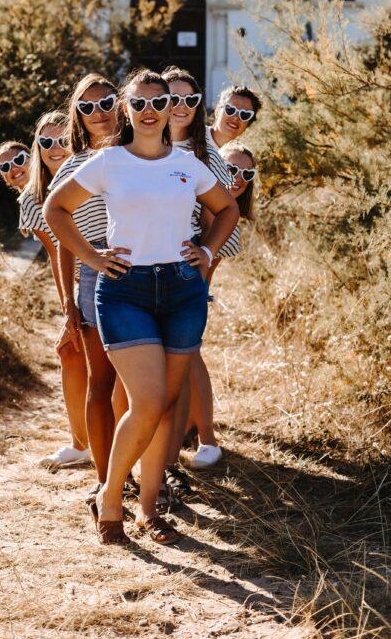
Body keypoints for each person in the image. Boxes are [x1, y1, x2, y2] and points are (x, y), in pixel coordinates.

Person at [44, 68, 239, 547]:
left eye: (159, 102)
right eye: (140, 102)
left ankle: (148, 512)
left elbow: (229, 209)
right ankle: (111, 495)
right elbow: (55, 209)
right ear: (126, 110)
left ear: (169, 108)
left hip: (181, 289)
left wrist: (208, 251)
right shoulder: (108, 163)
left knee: (168, 405)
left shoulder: (189, 165)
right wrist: (91, 257)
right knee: (147, 400)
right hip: (125, 291)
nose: (151, 110)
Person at [47, 73, 124, 500]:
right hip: (96, 271)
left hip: (145, 264)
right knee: (102, 381)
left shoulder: (141, 154)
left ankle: (145, 471)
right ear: (78, 114)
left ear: (121, 103)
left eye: (106, 102)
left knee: (142, 384)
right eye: (87, 107)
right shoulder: (74, 166)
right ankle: (104, 481)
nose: (98, 113)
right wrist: (68, 304)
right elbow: (61, 235)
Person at [163, 66, 241, 474]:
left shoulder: (205, 154)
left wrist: (205, 254)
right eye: (172, 98)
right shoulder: (139, 144)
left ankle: (203, 441)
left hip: (183, 265)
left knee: (186, 352)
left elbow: (222, 212)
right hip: (140, 265)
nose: (180, 107)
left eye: (190, 100)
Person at [17, 112, 91, 469]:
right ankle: (82, 441)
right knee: (70, 350)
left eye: (62, 140)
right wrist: (68, 306)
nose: (54, 148)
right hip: (77, 279)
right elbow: (54, 250)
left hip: (106, 269)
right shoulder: (34, 198)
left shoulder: (90, 172)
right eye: (45, 143)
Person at [208, 85, 261, 149]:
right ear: (217, 110)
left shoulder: (242, 157)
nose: (236, 117)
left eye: (244, 115)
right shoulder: (193, 136)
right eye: (231, 109)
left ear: (248, 123)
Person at [220, 142, 257, 222]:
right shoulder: (193, 207)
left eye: (247, 173)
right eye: (232, 169)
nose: (239, 177)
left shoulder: (242, 225)